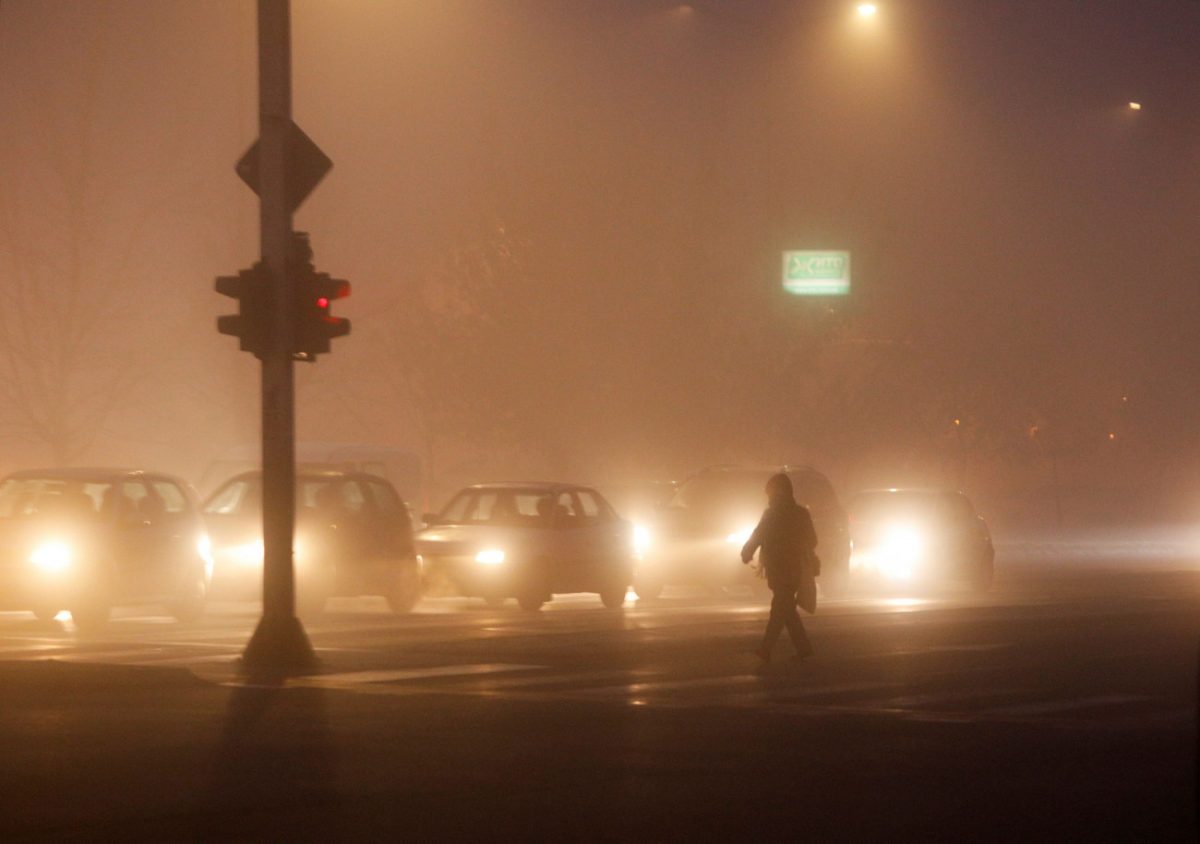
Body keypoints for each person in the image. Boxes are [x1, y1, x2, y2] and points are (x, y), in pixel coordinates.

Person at [741, 472, 818, 665]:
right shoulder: (801, 513)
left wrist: (746, 552)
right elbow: (813, 540)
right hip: (796, 569)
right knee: (787, 609)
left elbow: (758, 536)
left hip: (779, 569)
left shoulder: (772, 514)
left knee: (779, 608)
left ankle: (766, 649)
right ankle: (803, 648)